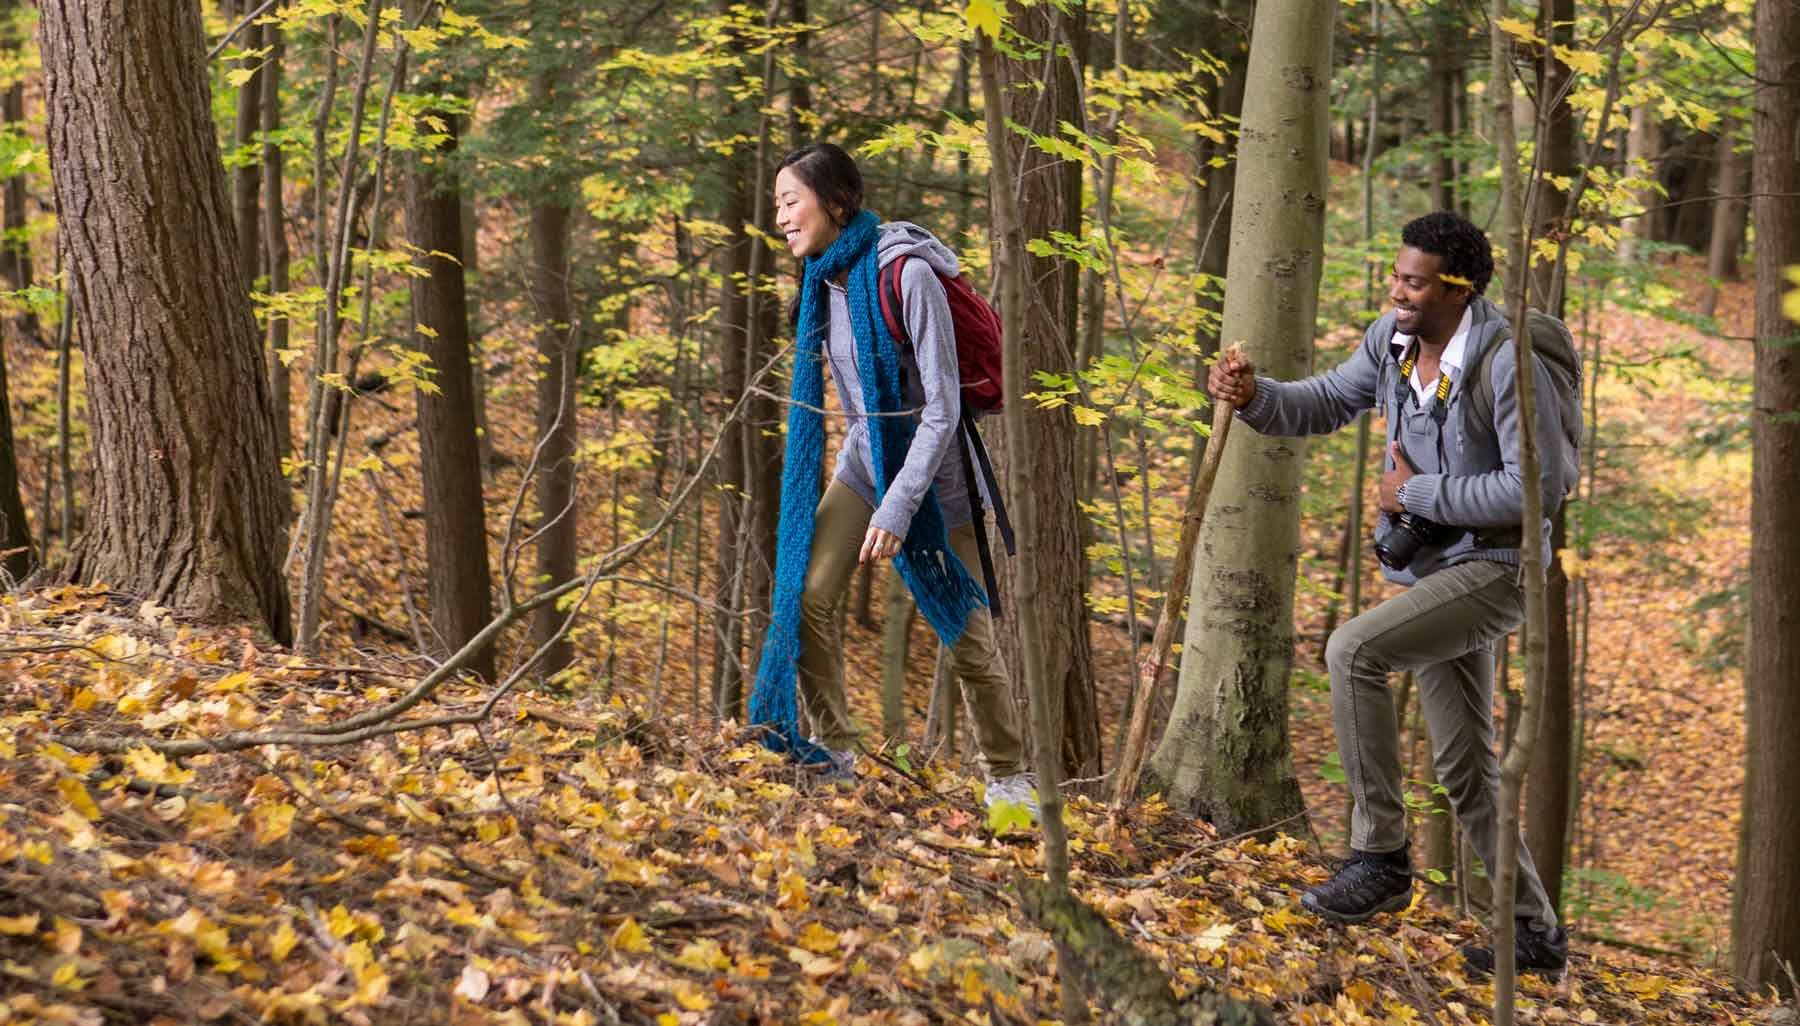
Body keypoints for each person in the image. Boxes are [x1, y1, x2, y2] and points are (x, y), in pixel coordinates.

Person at [1207, 211, 1569, 978]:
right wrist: (1252, 396)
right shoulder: (1392, 341)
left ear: (1457, 287)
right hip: (1435, 575)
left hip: (1499, 568)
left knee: (1354, 650)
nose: (1397, 291)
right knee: (1468, 765)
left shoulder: (1509, 362)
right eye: (1397, 277)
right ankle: (1535, 934)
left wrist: (1421, 495)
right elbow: (1328, 401)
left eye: (1413, 280)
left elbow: (1540, 486)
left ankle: (1381, 857)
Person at [755, 142, 1036, 814]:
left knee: (966, 638)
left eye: (791, 201)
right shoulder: (822, 279)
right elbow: (855, 406)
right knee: (805, 594)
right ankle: (836, 754)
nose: (782, 218)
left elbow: (942, 410)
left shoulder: (906, 274)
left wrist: (898, 508)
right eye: (777, 206)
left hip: (937, 478)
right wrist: (873, 491)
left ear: (837, 202)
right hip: (865, 461)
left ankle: (1011, 780)